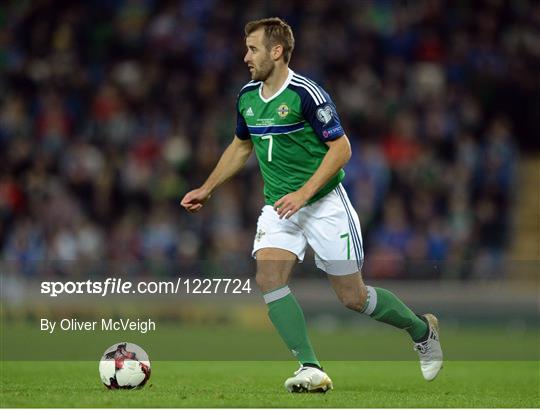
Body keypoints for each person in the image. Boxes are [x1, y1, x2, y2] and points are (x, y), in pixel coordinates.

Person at [181, 17, 443, 393]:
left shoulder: (307, 93)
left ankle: (422, 329)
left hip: (323, 205)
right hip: (279, 207)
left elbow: (342, 148)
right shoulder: (247, 97)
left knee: (354, 298)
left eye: (253, 48)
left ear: (277, 51)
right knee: (268, 279)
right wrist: (207, 188)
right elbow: (241, 145)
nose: (245, 56)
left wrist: (303, 194)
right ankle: (310, 367)